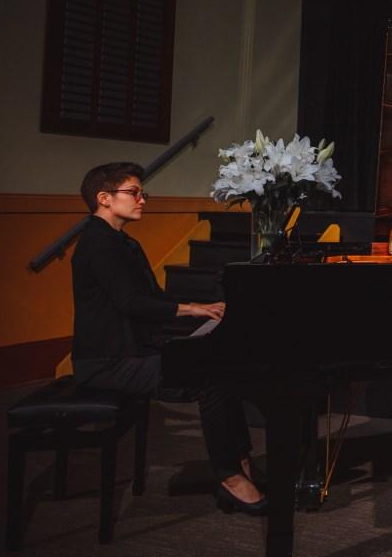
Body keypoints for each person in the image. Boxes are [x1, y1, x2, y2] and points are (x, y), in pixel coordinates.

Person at [71, 161, 267, 514]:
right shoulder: (97, 244)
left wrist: (202, 311)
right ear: (104, 198)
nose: (142, 199)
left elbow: (154, 298)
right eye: (134, 192)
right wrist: (192, 310)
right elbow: (130, 303)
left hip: (133, 350)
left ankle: (241, 463)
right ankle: (229, 477)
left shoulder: (122, 242)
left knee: (221, 369)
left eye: (142, 193)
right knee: (209, 379)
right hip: (107, 361)